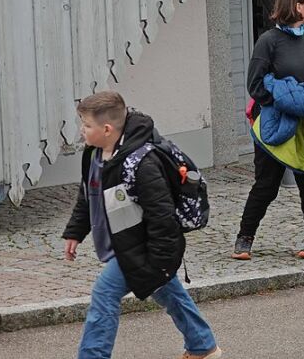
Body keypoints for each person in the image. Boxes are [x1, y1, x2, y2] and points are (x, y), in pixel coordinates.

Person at [62, 92, 221, 359]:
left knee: (104, 294)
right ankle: (202, 345)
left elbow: (162, 217)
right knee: (166, 290)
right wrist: (75, 232)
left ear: (107, 129)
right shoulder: (94, 154)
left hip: (142, 247)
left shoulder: (141, 163)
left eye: (87, 125)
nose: (82, 130)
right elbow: (87, 194)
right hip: (125, 242)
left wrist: (159, 260)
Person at [233, 0, 304, 262]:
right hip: (275, 126)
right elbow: (256, 86)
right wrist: (286, 101)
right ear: (297, 6)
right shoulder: (268, 42)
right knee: (266, 185)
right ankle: (244, 237)